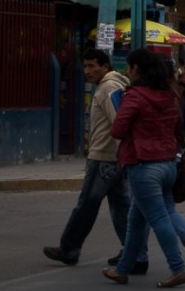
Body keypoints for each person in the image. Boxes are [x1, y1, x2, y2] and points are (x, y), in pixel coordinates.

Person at [103, 47, 185, 288]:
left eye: (128, 67)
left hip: (143, 165)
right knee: (136, 220)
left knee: (158, 218)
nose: (126, 72)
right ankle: (123, 269)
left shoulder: (134, 96)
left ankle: (177, 268)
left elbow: (117, 130)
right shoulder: (171, 95)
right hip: (168, 165)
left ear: (137, 69)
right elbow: (178, 129)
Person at [43, 47, 130, 267]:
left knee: (87, 205)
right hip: (114, 158)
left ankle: (69, 249)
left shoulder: (109, 87)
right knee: (121, 207)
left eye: (92, 66)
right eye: (85, 66)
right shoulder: (111, 85)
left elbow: (119, 122)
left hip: (104, 158)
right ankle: (135, 253)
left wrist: (124, 154)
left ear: (105, 66)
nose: (87, 71)